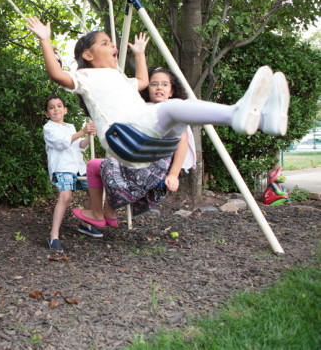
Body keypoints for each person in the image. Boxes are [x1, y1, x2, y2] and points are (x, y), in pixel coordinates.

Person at [26, 16, 289, 225]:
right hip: (125, 138)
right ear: (88, 55)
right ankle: (236, 113)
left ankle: (263, 120)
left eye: (112, 43)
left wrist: (139, 53)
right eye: (105, 43)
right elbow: (57, 74)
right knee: (172, 108)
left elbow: (142, 81)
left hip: (151, 142)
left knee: (179, 111)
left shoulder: (120, 78)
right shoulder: (86, 78)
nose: (113, 47)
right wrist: (45, 40)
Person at [74, 68, 197, 227]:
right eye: (154, 84)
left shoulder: (172, 112)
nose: (159, 88)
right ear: (148, 88)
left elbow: (182, 142)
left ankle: (98, 214)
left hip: (150, 170)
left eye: (164, 84)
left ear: (172, 91)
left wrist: (173, 175)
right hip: (140, 165)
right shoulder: (144, 109)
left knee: (95, 166)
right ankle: (109, 214)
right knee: (113, 163)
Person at [43, 95, 100, 252]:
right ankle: (53, 236)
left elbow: (79, 146)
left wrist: (89, 136)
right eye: (51, 107)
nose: (56, 109)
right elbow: (61, 143)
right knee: (66, 197)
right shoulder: (49, 128)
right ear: (47, 113)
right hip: (63, 168)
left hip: (78, 167)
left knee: (93, 192)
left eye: (59, 106)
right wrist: (82, 131)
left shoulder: (70, 127)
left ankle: (85, 224)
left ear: (65, 110)